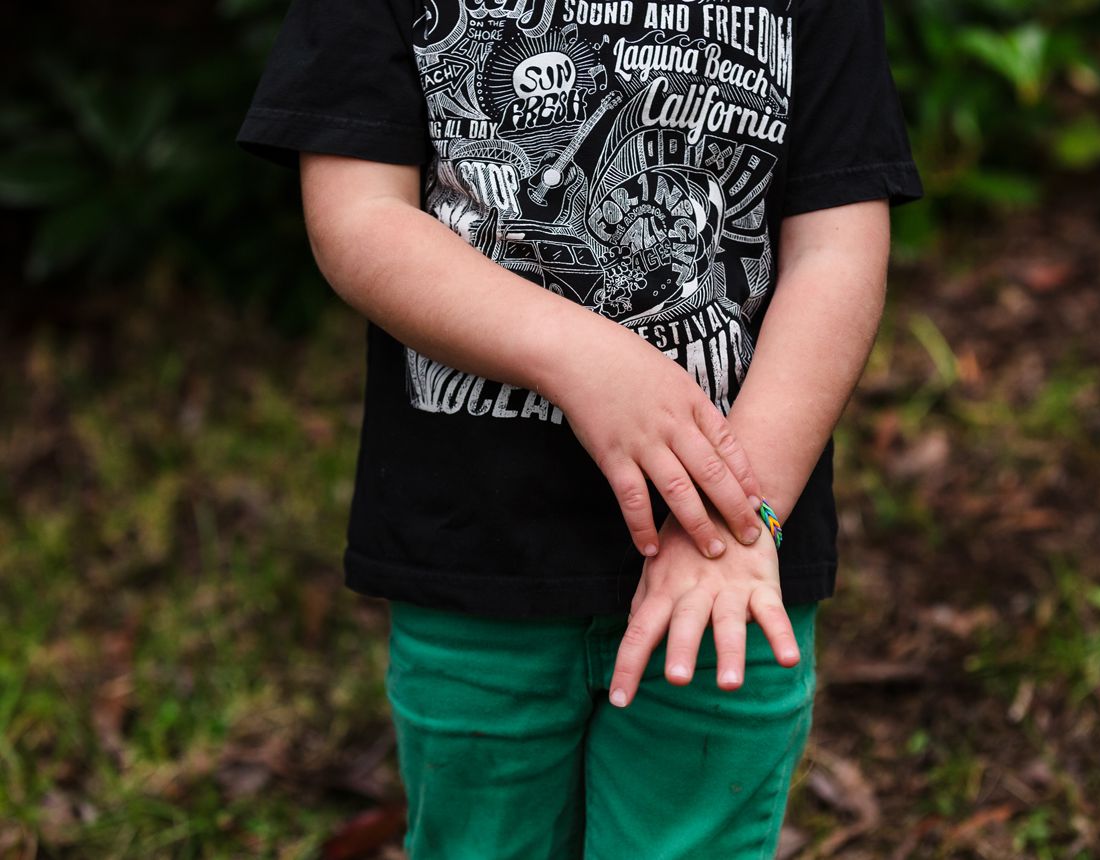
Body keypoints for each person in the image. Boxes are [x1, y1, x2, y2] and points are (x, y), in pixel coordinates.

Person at [236, 0, 923, 856]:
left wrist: (746, 516)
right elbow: (357, 216)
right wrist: (583, 359)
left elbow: (839, 250)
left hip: (727, 570)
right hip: (475, 561)